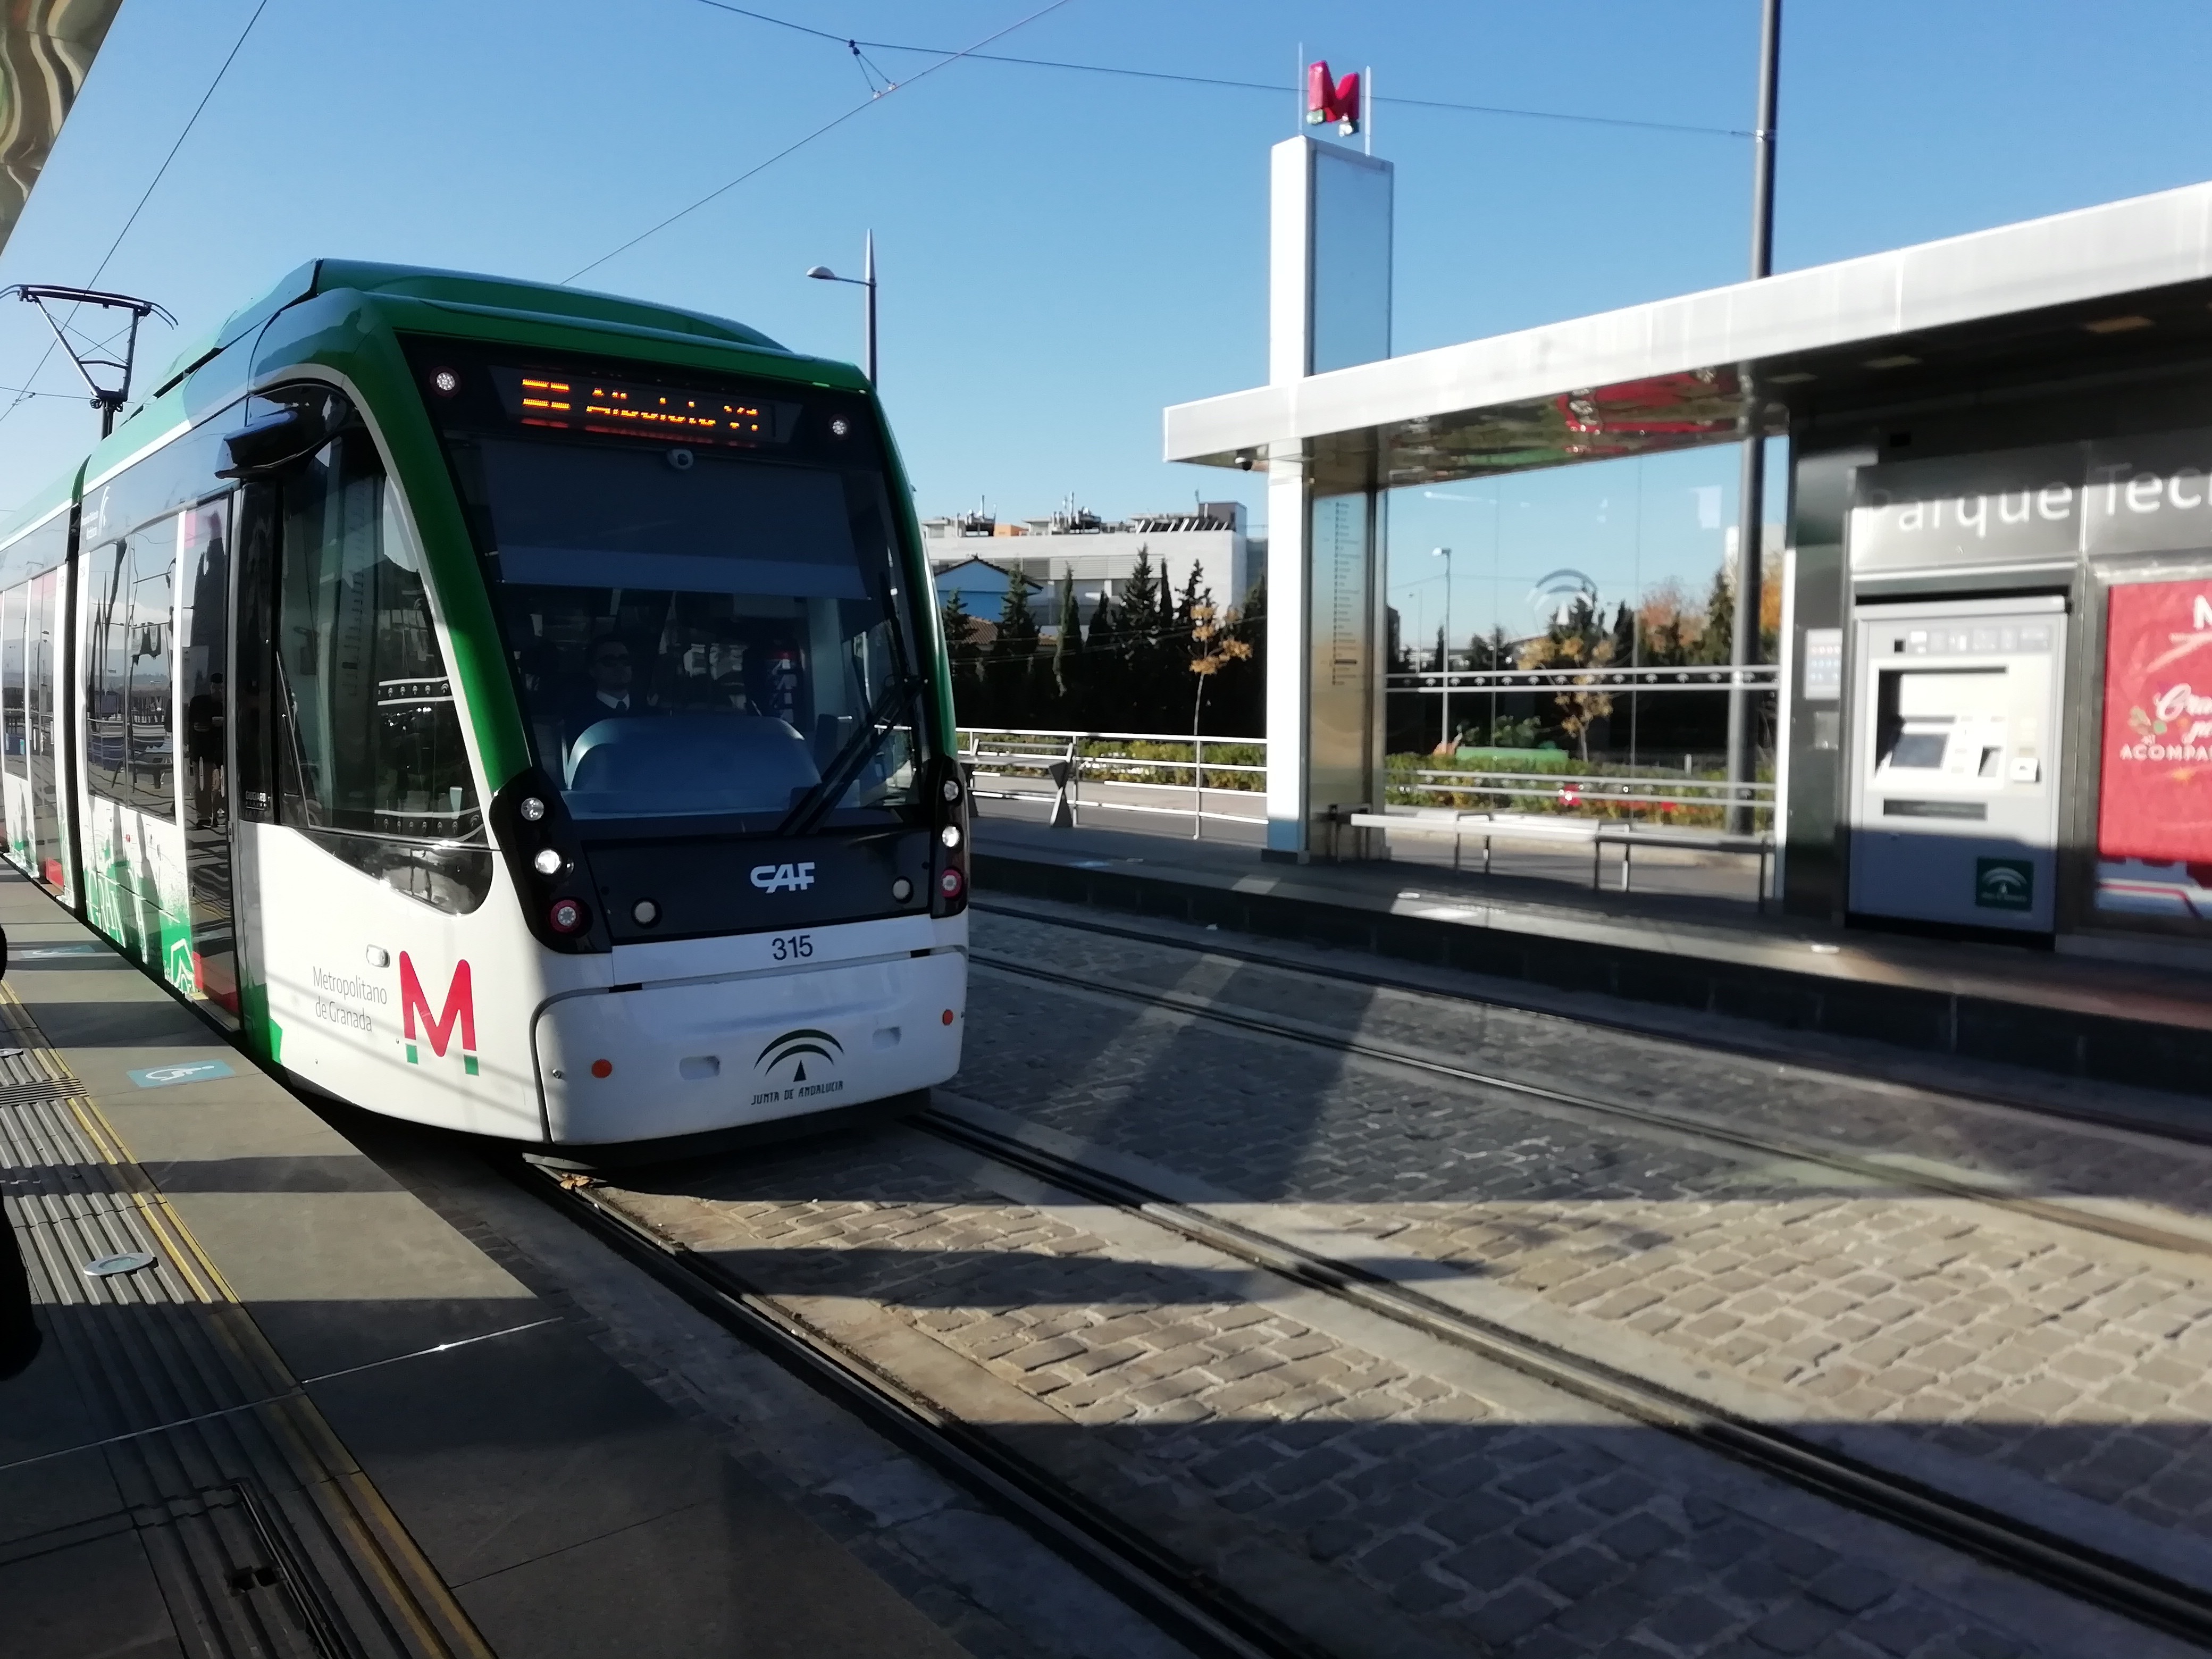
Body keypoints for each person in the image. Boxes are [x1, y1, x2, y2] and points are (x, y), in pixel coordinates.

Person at [559, 635, 656, 747]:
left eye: (625, 660)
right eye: (609, 662)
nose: (620, 667)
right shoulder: (577, 719)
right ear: (593, 670)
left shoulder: (652, 715)